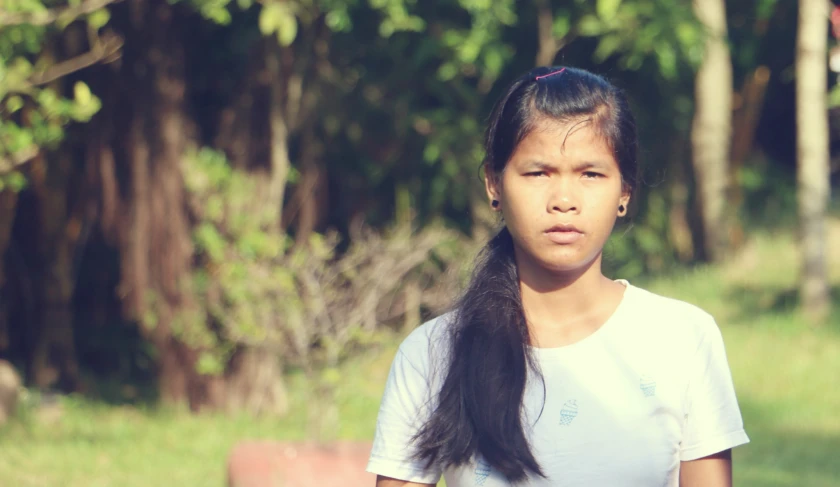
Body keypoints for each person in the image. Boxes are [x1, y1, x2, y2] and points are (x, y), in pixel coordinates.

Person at [365, 66, 749, 487]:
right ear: (494, 184)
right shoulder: (433, 353)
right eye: (537, 173)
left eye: (591, 174)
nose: (564, 200)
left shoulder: (683, 337)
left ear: (624, 192)